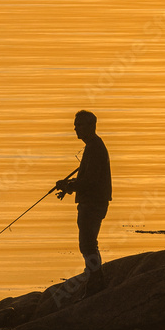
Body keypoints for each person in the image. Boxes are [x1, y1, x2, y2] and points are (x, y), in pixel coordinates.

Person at [54, 110, 112, 295]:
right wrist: (69, 185)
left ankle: (96, 281)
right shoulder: (92, 146)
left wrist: (69, 186)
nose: (75, 128)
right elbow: (87, 179)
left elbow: (90, 182)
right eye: (75, 124)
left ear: (90, 126)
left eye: (79, 124)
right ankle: (95, 278)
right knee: (88, 243)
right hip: (92, 202)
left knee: (87, 243)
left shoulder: (95, 147)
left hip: (93, 204)